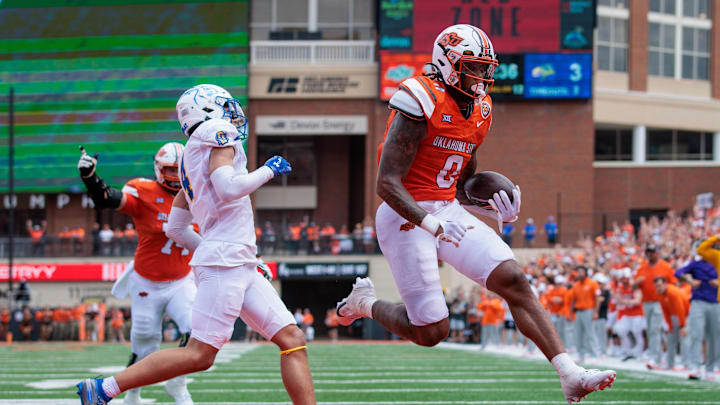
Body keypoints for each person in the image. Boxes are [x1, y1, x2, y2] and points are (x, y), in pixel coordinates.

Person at [335, 24, 614, 403]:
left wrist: (492, 203)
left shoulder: (481, 108)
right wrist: (431, 224)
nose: (483, 77)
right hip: (404, 215)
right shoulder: (419, 97)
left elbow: (462, 180)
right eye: (474, 67)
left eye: (486, 68)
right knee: (432, 331)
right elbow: (386, 183)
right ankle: (364, 304)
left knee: (513, 277)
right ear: (447, 63)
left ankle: (569, 373)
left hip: (445, 209)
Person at [76, 84, 316, 405]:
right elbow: (229, 188)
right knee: (200, 354)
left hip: (234, 258)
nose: (232, 113)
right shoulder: (216, 131)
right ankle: (104, 389)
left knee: (292, 338)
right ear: (207, 110)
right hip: (226, 261)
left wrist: (222, 250)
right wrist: (267, 171)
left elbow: (175, 227)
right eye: (224, 106)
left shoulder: (190, 154)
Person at [77, 142, 197, 404]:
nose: (176, 176)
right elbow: (107, 198)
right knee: (145, 342)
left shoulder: (200, 192)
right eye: (170, 170)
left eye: (180, 170)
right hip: (147, 281)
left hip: (182, 280)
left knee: (197, 330)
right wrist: (90, 178)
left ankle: (177, 383)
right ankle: (132, 394)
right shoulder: (144, 191)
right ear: (158, 169)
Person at [633, 245, 677, 368]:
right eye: (648, 252)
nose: (650, 255)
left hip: (660, 301)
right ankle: (661, 355)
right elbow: (634, 286)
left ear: (657, 253)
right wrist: (636, 282)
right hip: (646, 302)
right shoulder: (642, 268)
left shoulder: (665, 266)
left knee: (654, 330)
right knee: (655, 330)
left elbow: (673, 283)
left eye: (652, 252)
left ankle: (655, 358)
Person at [684, 237, 720, 378]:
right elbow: (701, 249)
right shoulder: (715, 256)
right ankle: (695, 367)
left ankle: (711, 368)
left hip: (716, 302)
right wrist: (717, 237)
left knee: (714, 337)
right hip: (703, 301)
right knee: (697, 335)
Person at [652, 276, 689, 371]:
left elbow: (680, 309)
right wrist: (670, 325)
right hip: (674, 316)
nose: (658, 288)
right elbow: (665, 311)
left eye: (660, 285)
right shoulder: (659, 294)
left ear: (665, 284)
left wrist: (682, 325)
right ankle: (670, 363)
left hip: (685, 314)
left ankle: (685, 364)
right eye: (656, 286)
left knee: (684, 339)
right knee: (671, 338)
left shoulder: (673, 292)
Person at [569, 266, 600, 362]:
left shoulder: (592, 283)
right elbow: (573, 300)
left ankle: (595, 355)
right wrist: (571, 313)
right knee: (579, 334)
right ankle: (581, 355)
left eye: (581, 271)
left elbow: (597, 298)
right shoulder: (576, 285)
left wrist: (595, 312)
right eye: (578, 272)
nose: (579, 273)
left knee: (591, 333)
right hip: (579, 311)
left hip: (589, 310)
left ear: (586, 273)